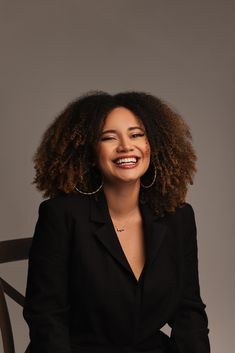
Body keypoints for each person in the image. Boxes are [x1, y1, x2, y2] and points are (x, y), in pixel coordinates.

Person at [23, 90, 211, 353]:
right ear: (89, 151)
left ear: (152, 144)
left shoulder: (178, 218)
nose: (126, 146)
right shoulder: (61, 215)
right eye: (108, 137)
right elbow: (46, 317)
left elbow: (188, 311)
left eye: (137, 134)